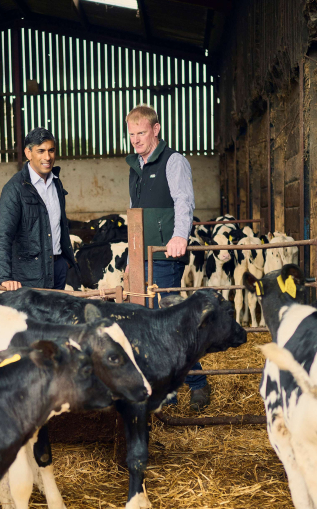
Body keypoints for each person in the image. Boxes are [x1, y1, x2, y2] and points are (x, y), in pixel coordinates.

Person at [124, 104, 210, 410]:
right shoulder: (135, 166)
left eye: (141, 132)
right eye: (131, 134)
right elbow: (133, 212)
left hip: (163, 255)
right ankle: (165, 390)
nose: (135, 139)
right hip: (141, 257)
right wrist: (130, 258)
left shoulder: (174, 161)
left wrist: (179, 237)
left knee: (170, 325)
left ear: (156, 129)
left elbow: (183, 200)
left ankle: (197, 383)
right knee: (147, 326)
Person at [0, 128, 77, 290]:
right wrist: (5, 277)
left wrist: (65, 262)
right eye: (41, 151)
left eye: (51, 150)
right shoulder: (15, 188)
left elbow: (60, 225)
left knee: (58, 307)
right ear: (28, 153)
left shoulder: (56, 183)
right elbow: (3, 235)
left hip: (58, 268)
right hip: (29, 275)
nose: (48, 157)